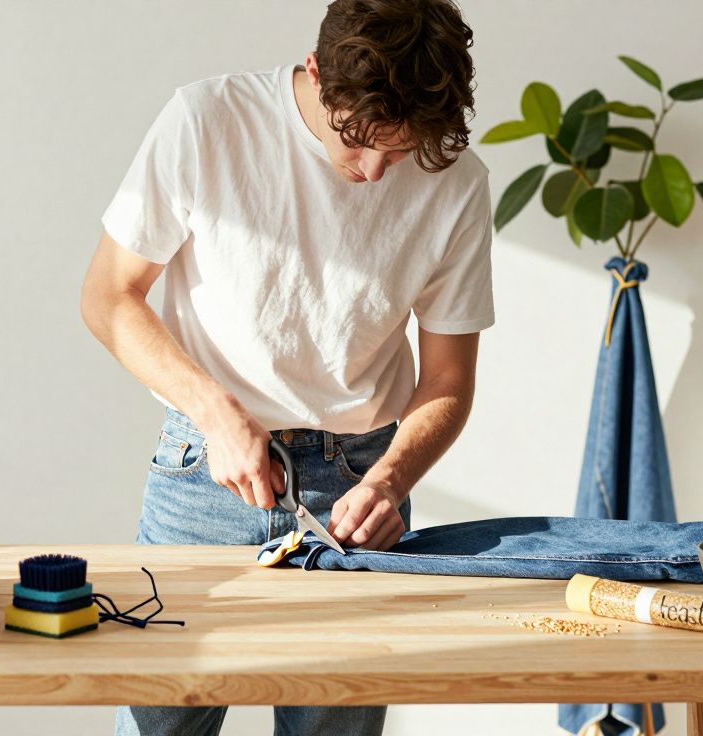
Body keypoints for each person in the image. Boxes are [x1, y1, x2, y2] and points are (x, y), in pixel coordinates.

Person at [81, 1, 490, 733]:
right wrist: (217, 413)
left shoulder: (457, 182)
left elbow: (448, 382)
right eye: (357, 141)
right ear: (315, 73)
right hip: (202, 478)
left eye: (399, 153)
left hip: (359, 488)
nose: (373, 172)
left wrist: (391, 481)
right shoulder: (206, 121)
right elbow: (108, 296)